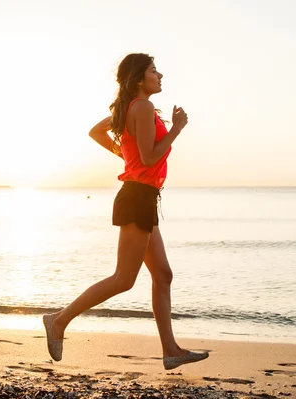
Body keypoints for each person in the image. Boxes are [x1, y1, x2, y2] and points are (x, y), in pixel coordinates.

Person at [42, 53, 209, 370]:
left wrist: (125, 154)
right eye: (153, 71)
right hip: (137, 198)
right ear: (138, 79)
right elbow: (148, 159)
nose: (160, 75)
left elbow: (98, 133)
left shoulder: (132, 108)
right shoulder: (142, 107)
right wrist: (177, 129)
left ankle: (171, 350)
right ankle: (58, 321)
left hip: (143, 197)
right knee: (124, 278)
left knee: (163, 275)